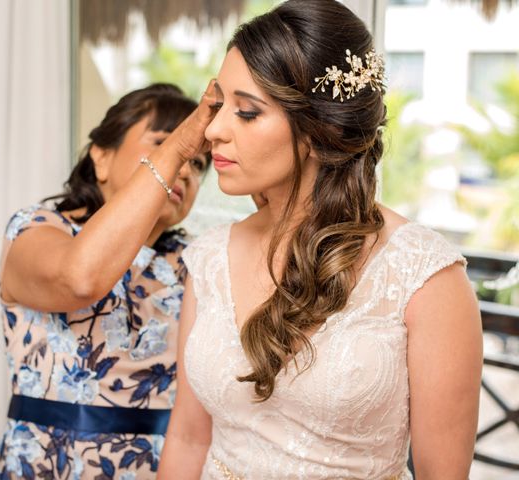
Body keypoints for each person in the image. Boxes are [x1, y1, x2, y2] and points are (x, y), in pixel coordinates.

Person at [158, 1, 483, 479]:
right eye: (219, 104)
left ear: (317, 130)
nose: (212, 130)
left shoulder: (425, 277)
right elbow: (189, 437)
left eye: (246, 112)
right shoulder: (209, 258)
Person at [0, 83, 216, 479]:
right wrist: (179, 148)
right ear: (101, 156)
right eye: (163, 143)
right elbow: (78, 279)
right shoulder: (37, 229)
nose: (185, 167)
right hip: (44, 465)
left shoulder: (198, 261)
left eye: (198, 164)